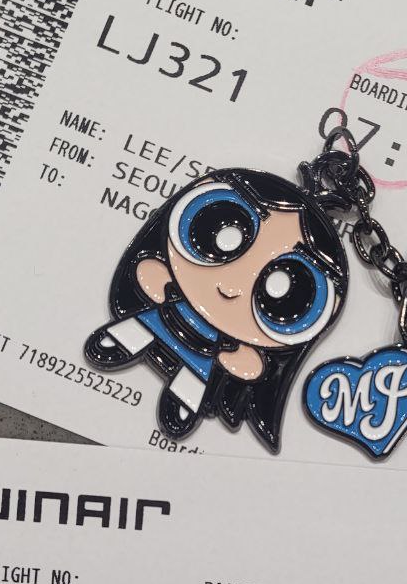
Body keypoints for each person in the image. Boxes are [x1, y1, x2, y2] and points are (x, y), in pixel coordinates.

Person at [85, 170, 348, 450]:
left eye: (277, 288)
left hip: (204, 357)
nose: (231, 286)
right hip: (161, 317)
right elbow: (148, 273)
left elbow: (251, 367)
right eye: (227, 239)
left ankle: (183, 399)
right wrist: (157, 279)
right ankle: (125, 342)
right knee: (142, 329)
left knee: (192, 382)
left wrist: (243, 361)